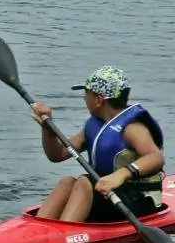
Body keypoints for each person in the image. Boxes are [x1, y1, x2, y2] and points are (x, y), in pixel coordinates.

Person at [31, 66, 164, 222]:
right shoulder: (95, 127)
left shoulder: (133, 128)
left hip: (137, 201)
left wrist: (121, 174)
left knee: (84, 183)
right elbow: (57, 154)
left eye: (86, 94)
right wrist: (47, 130)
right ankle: (39, 229)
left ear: (99, 100)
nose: (84, 99)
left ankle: (64, 236)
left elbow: (156, 158)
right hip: (109, 196)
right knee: (67, 182)